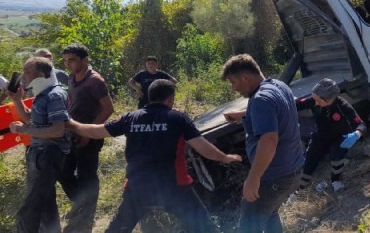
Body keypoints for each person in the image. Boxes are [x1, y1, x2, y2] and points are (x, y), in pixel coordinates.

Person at [66, 79, 242, 232]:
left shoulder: (131, 118)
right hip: (175, 188)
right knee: (205, 229)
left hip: (137, 188)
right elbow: (203, 147)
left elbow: (97, 131)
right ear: (170, 98)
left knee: (117, 230)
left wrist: (72, 124)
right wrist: (225, 157)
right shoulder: (177, 118)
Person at [221, 54, 304, 233]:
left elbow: (269, 140)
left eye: (233, 82)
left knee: (249, 225)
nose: (234, 88)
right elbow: (276, 111)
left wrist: (253, 178)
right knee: (269, 213)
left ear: (245, 78)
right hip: (292, 169)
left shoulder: (260, 100)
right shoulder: (279, 86)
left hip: (274, 176)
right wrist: (245, 114)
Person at [8, 57, 70, 233]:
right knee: (46, 206)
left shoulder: (54, 95)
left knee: (29, 210)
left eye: (27, 71)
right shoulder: (42, 95)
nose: (24, 76)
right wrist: (17, 100)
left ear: (41, 74)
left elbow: (58, 130)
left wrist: (24, 130)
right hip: (40, 155)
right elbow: (31, 119)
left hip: (49, 155)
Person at [60, 43, 114, 233]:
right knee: (63, 171)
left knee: (87, 175)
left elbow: (108, 108)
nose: (68, 64)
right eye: (66, 60)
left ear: (85, 59)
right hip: (71, 133)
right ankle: (81, 203)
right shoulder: (72, 78)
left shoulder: (95, 81)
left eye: (72, 60)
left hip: (89, 135)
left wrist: (89, 133)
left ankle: (87, 213)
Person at [295, 78, 366, 192]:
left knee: (337, 156)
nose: (315, 102)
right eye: (314, 99)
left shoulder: (342, 105)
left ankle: (336, 180)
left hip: (339, 138)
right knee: (309, 160)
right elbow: (296, 104)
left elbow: (360, 124)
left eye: (318, 100)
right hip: (320, 136)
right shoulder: (314, 100)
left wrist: (357, 134)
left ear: (328, 99)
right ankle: (299, 190)